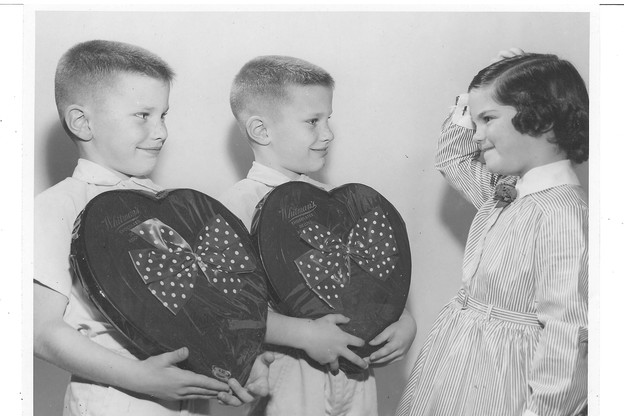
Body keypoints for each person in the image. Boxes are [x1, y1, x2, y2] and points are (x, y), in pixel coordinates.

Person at [33, 39, 272, 416]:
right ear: (82, 122)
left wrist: (241, 363)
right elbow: (41, 332)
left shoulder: (173, 207)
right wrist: (140, 378)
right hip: (113, 401)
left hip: (190, 400)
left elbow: (205, 306)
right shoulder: (56, 207)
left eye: (163, 115)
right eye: (143, 115)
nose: (161, 132)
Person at [219, 55, 417, 416]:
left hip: (355, 371)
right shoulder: (236, 206)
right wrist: (305, 334)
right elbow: (225, 307)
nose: (328, 134)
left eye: (328, 119)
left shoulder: (336, 201)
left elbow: (371, 278)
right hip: (286, 371)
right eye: (313, 121)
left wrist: (401, 320)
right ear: (261, 130)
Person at [395, 50, 588, 416]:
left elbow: (568, 338)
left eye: (487, 119)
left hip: (507, 383)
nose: (477, 134)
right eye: (475, 120)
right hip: (460, 365)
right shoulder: (507, 190)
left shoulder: (563, 214)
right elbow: (452, 159)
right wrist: (482, 92)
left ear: (541, 118)